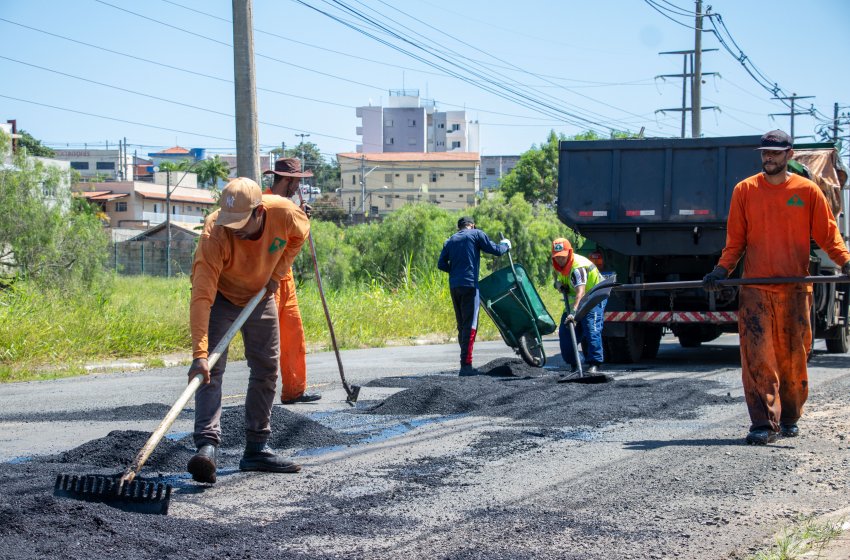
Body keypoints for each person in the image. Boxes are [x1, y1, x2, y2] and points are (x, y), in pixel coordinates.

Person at [703, 130, 850, 445]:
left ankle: (789, 416)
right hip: (757, 290)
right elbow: (736, 241)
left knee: (794, 358)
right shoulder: (745, 190)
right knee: (758, 358)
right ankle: (762, 423)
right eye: (765, 153)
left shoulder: (807, 191)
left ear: (789, 155)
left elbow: (827, 234)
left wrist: (845, 262)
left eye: (775, 153)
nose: (768, 158)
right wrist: (721, 270)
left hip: (796, 289)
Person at [186, 177, 310, 483]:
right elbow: (201, 296)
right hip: (221, 297)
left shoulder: (284, 212)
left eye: (241, 222)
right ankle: (206, 448)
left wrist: (278, 274)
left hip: (260, 295)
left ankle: (256, 448)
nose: (234, 229)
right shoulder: (214, 234)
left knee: (267, 368)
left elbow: (300, 234)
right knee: (210, 370)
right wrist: (199, 355)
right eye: (230, 223)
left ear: (259, 212)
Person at [261, 157, 321, 405]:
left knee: (294, 335)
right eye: (296, 181)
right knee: (268, 341)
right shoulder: (263, 204)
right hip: (266, 278)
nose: (299, 187)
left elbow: (294, 235)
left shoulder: (291, 205)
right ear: (286, 180)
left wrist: (302, 218)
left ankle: (294, 391)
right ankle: (262, 396)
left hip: (287, 277)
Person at [438, 217, 510, 375]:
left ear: (459, 227)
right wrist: (505, 245)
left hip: (454, 286)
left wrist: (456, 271)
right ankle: (466, 366)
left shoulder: (450, 241)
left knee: (462, 325)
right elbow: (496, 250)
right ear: (472, 225)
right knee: (471, 325)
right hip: (470, 285)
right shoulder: (476, 234)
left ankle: (465, 361)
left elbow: (441, 264)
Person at [551, 238, 607, 378]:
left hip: (593, 297)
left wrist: (574, 314)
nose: (560, 260)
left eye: (563, 257)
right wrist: (557, 285)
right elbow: (559, 282)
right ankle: (574, 364)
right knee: (565, 333)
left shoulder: (578, 268)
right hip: (575, 302)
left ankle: (594, 364)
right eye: (557, 257)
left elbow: (580, 292)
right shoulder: (559, 267)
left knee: (591, 328)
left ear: (569, 253)